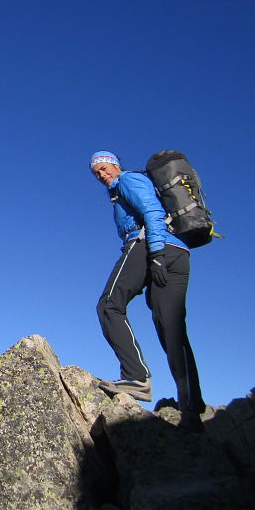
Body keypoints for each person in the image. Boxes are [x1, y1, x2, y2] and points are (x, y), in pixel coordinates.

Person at [90, 150, 206, 431]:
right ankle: (192, 407)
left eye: (105, 169)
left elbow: (152, 212)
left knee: (109, 305)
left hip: (148, 245)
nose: (103, 176)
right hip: (178, 253)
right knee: (171, 327)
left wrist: (154, 254)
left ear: (116, 165)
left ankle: (135, 377)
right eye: (97, 173)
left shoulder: (127, 181)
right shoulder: (128, 183)